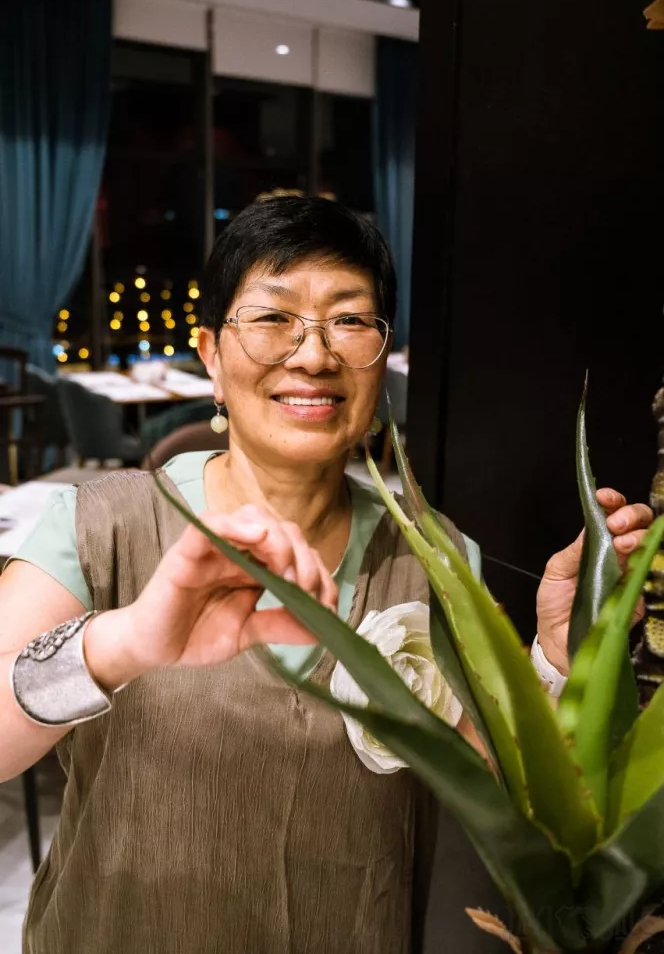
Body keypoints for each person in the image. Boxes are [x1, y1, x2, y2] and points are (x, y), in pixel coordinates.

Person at [0, 196, 652, 954]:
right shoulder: (99, 527)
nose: (313, 355)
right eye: (273, 318)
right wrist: (124, 642)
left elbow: (512, 802)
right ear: (211, 353)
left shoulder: (435, 558)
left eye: (349, 320)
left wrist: (560, 659)